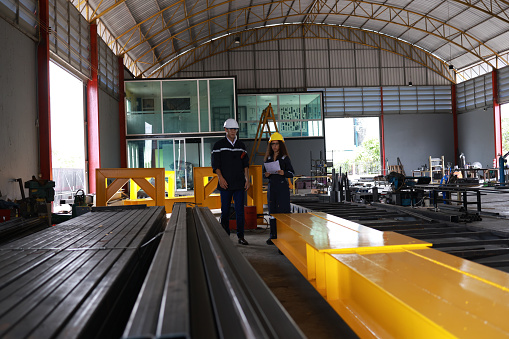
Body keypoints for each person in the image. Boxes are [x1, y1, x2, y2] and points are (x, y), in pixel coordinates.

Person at [212, 118, 251, 245]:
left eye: (235, 129)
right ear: (226, 130)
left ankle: (241, 236)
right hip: (225, 184)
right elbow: (216, 165)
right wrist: (221, 178)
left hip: (239, 184)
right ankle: (225, 237)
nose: (233, 131)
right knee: (225, 211)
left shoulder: (241, 146)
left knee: (240, 211)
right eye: (231, 129)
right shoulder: (219, 146)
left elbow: (245, 164)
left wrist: (247, 179)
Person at [263, 132, 294, 245]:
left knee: (283, 212)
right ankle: (273, 236)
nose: (274, 146)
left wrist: (283, 172)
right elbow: (263, 173)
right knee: (272, 212)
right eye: (272, 144)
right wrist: (266, 175)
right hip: (272, 188)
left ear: (281, 145)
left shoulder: (285, 158)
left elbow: (291, 173)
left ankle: (284, 237)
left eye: (276, 144)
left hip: (282, 187)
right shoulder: (269, 158)